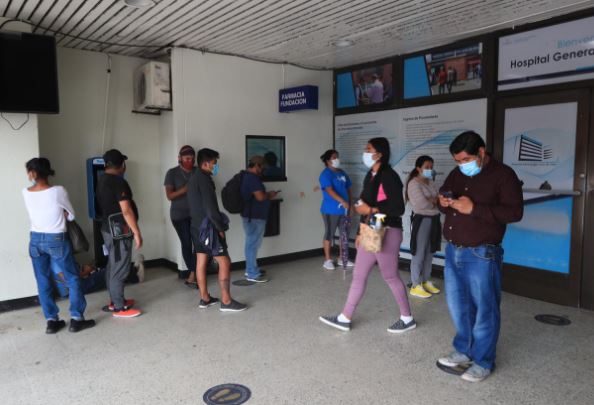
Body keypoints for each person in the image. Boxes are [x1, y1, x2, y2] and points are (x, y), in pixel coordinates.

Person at [437, 131, 523, 382]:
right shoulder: (457, 173)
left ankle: (484, 361)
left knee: (485, 309)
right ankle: (464, 350)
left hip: (482, 253)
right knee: (458, 306)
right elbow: (444, 197)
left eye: (465, 160)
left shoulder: (503, 175)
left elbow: (515, 212)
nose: (461, 165)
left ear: (481, 152)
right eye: (457, 161)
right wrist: (443, 201)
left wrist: (474, 209)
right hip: (453, 251)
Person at [320, 137, 416, 334]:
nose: (365, 152)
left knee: (390, 276)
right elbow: (364, 205)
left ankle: (407, 318)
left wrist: (370, 209)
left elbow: (397, 207)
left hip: (388, 229)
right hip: (372, 228)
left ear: (379, 153)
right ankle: (344, 317)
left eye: (368, 149)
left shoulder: (389, 176)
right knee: (359, 275)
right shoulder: (370, 175)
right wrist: (359, 231)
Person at [22, 157, 95, 333]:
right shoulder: (58, 191)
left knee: (43, 281)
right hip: (56, 239)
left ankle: (52, 322)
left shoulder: (25, 192)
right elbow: (71, 216)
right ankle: (76, 319)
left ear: (33, 173)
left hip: (35, 240)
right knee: (72, 278)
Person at [187, 148, 247, 312]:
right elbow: (210, 208)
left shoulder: (193, 178)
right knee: (224, 261)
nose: (216, 166)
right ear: (205, 164)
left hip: (196, 227)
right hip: (209, 228)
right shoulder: (204, 180)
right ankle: (226, 301)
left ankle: (205, 298)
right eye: (214, 163)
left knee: (201, 261)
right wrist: (220, 228)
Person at [96, 149, 143, 318]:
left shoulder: (102, 180)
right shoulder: (118, 182)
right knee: (120, 267)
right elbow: (126, 210)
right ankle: (119, 307)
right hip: (119, 231)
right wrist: (136, 232)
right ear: (121, 164)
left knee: (113, 265)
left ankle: (116, 300)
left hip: (107, 229)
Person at [405, 155, 441, 299]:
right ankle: (415, 285)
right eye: (427, 167)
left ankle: (425, 281)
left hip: (434, 219)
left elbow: (438, 200)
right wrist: (433, 201)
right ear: (418, 168)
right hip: (422, 220)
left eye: (431, 167)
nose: (430, 170)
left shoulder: (430, 182)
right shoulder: (414, 183)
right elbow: (421, 204)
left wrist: (432, 200)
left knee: (430, 252)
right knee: (419, 253)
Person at [164, 145, 198, 288]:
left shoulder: (198, 172)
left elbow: (210, 183)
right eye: (187, 158)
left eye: (192, 158)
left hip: (196, 214)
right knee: (186, 243)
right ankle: (193, 272)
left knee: (199, 244)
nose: (190, 161)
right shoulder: (172, 173)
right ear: (180, 158)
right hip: (179, 216)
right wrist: (185, 189)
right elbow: (169, 196)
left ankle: (194, 273)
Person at [241, 156, 278, 283]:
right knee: (252, 244)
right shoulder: (252, 178)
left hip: (251, 216)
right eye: (262, 167)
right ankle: (252, 273)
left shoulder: (246, 176)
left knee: (251, 243)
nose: (263, 170)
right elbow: (260, 197)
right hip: (255, 217)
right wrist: (270, 194)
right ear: (257, 165)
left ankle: (251, 268)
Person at [318, 149, 353, 270]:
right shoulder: (325, 174)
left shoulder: (342, 173)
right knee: (330, 233)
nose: (336, 159)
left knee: (344, 234)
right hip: (330, 210)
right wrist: (342, 201)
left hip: (344, 209)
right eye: (334, 157)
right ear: (328, 161)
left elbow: (348, 189)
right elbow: (329, 190)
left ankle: (342, 258)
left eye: (337, 157)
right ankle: (327, 260)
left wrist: (349, 203)